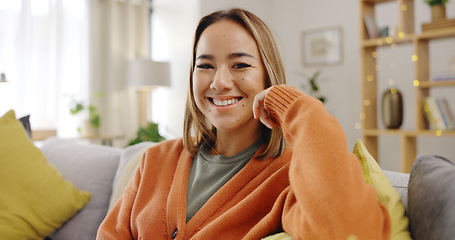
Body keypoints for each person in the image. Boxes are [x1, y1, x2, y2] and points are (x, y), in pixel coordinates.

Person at [97, 8, 390, 239]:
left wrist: (296, 107)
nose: (220, 81)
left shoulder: (288, 175)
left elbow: (348, 230)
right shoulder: (155, 160)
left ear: (267, 75)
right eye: (205, 65)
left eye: (240, 65)